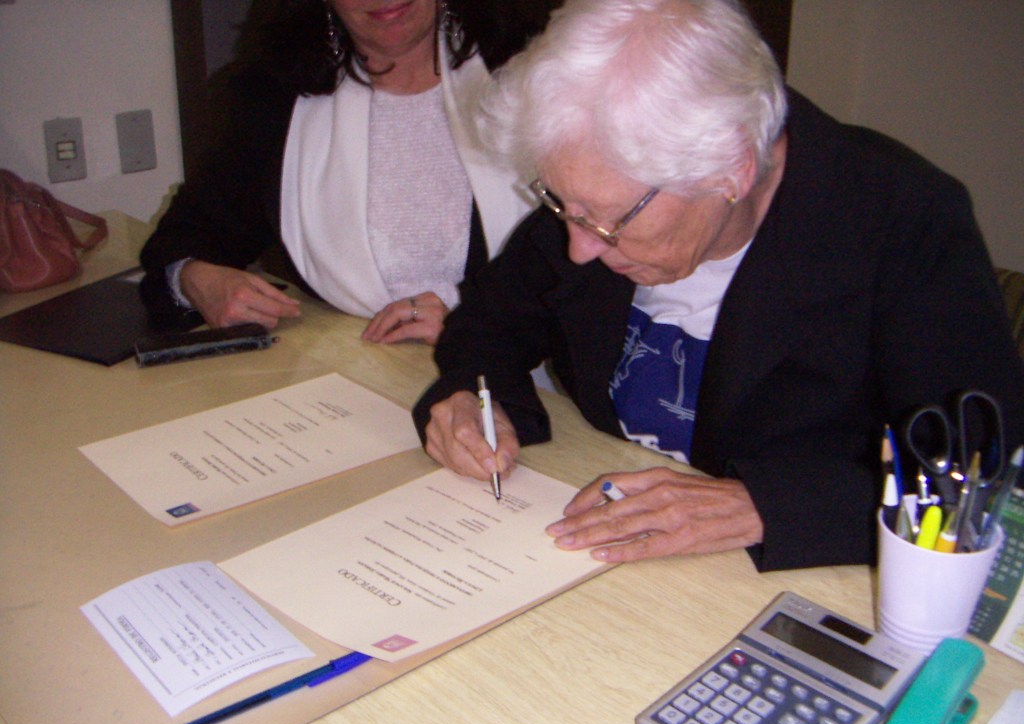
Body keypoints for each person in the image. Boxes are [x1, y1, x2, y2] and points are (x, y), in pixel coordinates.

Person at [413, 0, 1024, 571]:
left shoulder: (904, 222)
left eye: (608, 222)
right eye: (562, 205)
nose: (579, 247)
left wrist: (762, 506)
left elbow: (979, 473)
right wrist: (470, 396)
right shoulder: (597, 189)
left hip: (793, 584)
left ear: (733, 169)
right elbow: (490, 320)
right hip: (600, 554)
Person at [140, 0, 560, 345]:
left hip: (515, 375)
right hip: (352, 374)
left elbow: (583, 256)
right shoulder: (273, 97)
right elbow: (188, 235)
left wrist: (471, 314)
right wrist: (199, 281)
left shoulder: (541, 69)